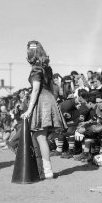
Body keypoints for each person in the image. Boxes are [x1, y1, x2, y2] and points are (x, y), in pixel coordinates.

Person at [21, 40, 67, 179]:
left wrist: (29, 110)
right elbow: (53, 89)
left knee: (40, 137)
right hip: (49, 100)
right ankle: (42, 168)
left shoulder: (36, 68)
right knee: (38, 136)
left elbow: (35, 90)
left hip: (41, 100)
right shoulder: (47, 68)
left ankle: (47, 171)